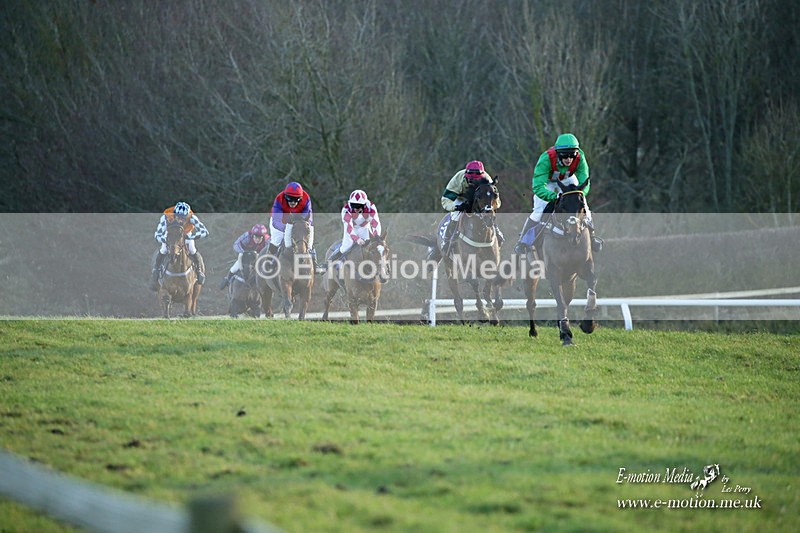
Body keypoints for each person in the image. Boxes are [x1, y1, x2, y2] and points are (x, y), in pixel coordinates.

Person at [514, 133, 603, 255]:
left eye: (572, 155)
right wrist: (554, 197)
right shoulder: (546, 159)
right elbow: (538, 186)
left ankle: (592, 238)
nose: (569, 159)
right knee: (539, 211)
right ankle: (523, 241)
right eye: (565, 155)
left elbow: (584, 182)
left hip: (568, 179)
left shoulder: (580, 157)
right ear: (558, 154)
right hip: (548, 183)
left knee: (583, 205)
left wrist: (579, 194)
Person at [440, 160, 504, 256]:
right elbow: (445, 200)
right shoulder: (458, 179)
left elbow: (497, 203)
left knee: (489, 213)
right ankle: (448, 239)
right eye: (469, 179)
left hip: (480, 199)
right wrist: (457, 206)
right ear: (466, 174)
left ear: (482, 177)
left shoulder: (488, 181)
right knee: (455, 215)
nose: (471, 182)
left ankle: (497, 231)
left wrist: (489, 208)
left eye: (475, 180)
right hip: (461, 198)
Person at [149, 201, 209, 291]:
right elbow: (158, 234)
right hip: (170, 235)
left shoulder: (192, 218)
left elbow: (205, 232)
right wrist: (165, 240)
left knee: (192, 249)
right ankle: (156, 271)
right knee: (163, 249)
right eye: (178, 217)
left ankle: (199, 271)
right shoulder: (166, 217)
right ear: (174, 214)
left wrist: (190, 237)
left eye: (183, 218)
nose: (181, 220)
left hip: (186, 234)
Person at [267, 181, 318, 270]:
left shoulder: (306, 199)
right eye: (289, 198)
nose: (293, 202)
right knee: (276, 240)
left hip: (298, 220)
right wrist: (287, 229)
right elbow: (276, 221)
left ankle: (314, 263)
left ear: (301, 198)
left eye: (296, 199)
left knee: (309, 240)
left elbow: (308, 218)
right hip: (281, 221)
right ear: (285, 196)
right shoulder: (279, 199)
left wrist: (299, 227)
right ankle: (269, 262)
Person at [327, 189, 383, 265]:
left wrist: (376, 237)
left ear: (364, 204)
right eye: (354, 205)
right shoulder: (346, 210)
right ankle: (330, 261)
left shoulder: (371, 207)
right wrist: (357, 239)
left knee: (373, 246)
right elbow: (349, 228)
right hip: (352, 229)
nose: (356, 208)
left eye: (359, 206)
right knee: (347, 246)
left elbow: (375, 223)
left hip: (365, 228)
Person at [218, 223, 269, 289]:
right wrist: (243, 252)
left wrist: (262, 256)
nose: (257, 240)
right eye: (256, 237)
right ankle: (228, 278)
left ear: (263, 237)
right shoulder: (247, 236)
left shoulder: (267, 240)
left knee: (266, 269)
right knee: (235, 267)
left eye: (260, 238)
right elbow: (236, 244)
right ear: (253, 235)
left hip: (260, 257)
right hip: (246, 256)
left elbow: (270, 251)